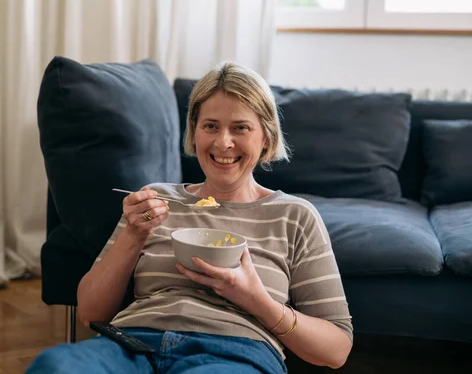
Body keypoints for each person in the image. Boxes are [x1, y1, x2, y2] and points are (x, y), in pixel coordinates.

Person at [26, 62, 353, 374]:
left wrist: (255, 300)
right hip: (132, 344)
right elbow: (90, 312)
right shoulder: (155, 199)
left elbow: (335, 350)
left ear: (266, 137)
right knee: (53, 366)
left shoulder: (294, 216)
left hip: (234, 352)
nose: (223, 142)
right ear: (194, 132)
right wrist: (132, 236)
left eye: (240, 128)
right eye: (210, 126)